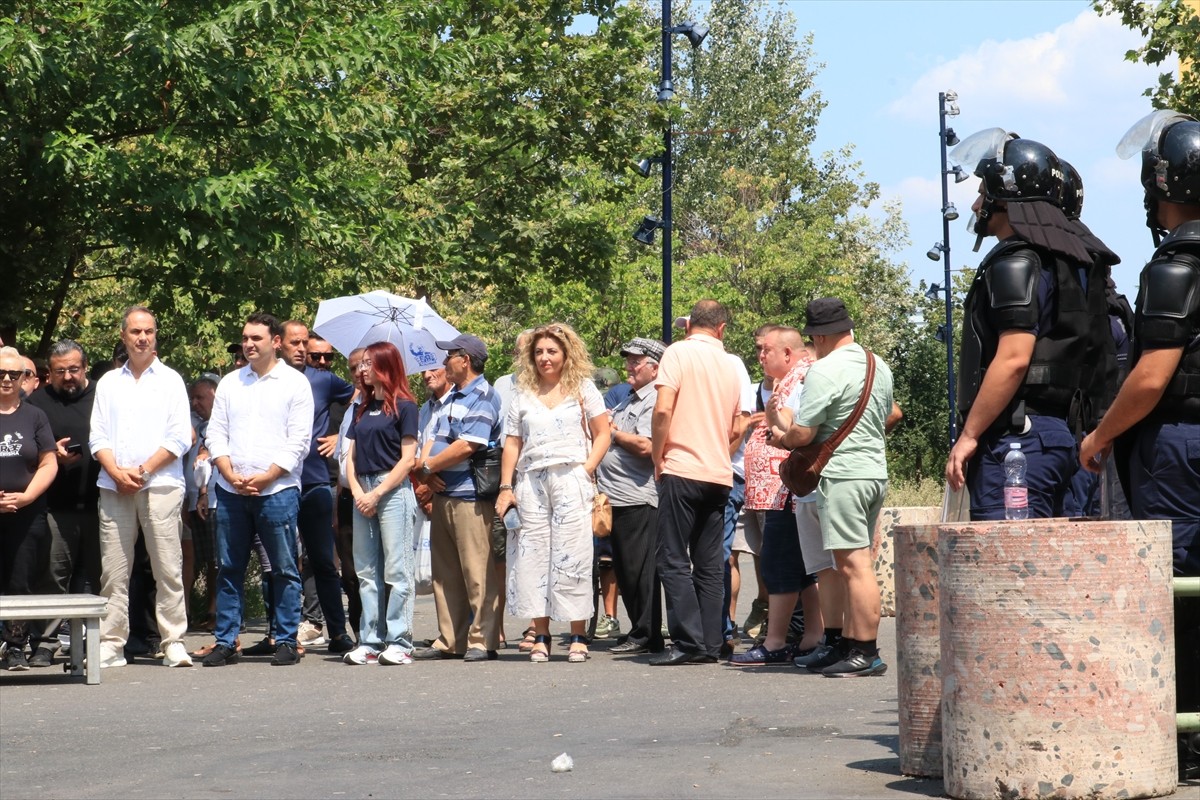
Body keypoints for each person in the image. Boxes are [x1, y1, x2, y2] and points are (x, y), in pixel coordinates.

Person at [1079, 109, 1200, 779]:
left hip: (1178, 443)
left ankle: (1184, 741)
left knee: (1176, 589)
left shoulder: (1175, 266)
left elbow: (1152, 377)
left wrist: (1100, 434)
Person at [944, 130, 1112, 520]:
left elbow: (1015, 358)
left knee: (1009, 571)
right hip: (1056, 435)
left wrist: (969, 436)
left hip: (1018, 442)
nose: (976, 204)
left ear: (1005, 199)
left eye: (984, 194)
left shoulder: (1016, 262)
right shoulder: (1070, 265)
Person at [767, 298, 902, 677]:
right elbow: (890, 415)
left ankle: (865, 651)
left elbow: (804, 432)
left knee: (853, 564)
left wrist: (781, 437)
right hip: (872, 471)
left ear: (821, 336)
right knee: (849, 562)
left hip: (842, 476)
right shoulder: (879, 366)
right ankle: (846, 644)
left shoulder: (824, 371)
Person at [202, 312, 313, 667]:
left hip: (277, 490)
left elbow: (299, 441)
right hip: (232, 489)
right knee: (229, 568)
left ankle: (285, 638)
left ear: (275, 342)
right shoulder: (232, 383)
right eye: (245, 338)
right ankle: (225, 640)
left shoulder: (294, 384)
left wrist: (268, 476)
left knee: (283, 568)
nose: (249, 344)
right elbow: (215, 432)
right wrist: (227, 470)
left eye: (256, 339)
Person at [495, 323, 610, 663]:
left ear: (566, 354)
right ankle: (540, 633)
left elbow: (602, 433)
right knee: (532, 556)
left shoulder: (583, 389)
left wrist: (585, 469)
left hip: (570, 477)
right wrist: (506, 487)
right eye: (539, 352)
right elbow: (512, 444)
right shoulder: (522, 394)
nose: (545, 358)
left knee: (572, 554)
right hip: (531, 481)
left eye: (552, 351)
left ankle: (577, 634)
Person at [88, 307, 193, 669]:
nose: (142, 338)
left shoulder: (171, 380)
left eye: (148, 331)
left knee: (167, 568)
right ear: (123, 336)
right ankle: (112, 642)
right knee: (114, 571)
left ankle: (174, 641)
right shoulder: (107, 383)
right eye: (135, 331)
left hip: (161, 484)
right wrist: (116, 471)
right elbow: (97, 435)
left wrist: (143, 470)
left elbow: (180, 437)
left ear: (156, 335)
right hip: (114, 485)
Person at [649, 300, 742, 666]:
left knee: (671, 557)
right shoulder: (732, 364)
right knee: (708, 562)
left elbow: (662, 410)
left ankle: (688, 642)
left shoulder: (678, 353)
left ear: (690, 325)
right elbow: (737, 426)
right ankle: (711, 642)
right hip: (718, 474)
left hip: (682, 466)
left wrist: (658, 457)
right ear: (720, 329)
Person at [731, 325, 827, 666]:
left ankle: (775, 642)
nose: (760, 356)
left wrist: (772, 422)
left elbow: (795, 430)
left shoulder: (801, 378)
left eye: (765, 350)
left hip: (786, 490)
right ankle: (812, 635)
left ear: (787, 353)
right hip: (781, 492)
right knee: (800, 569)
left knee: (780, 566)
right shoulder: (789, 380)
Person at [411, 334, 502, 662]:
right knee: (445, 572)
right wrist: (425, 472)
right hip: (442, 494)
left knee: (477, 571)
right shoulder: (447, 399)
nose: (445, 361)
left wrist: (428, 465)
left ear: (465, 360)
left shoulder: (483, 395)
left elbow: (468, 444)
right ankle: (450, 639)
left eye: (450, 356)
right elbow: (432, 438)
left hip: (471, 495)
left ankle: (482, 639)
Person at [340, 342, 420, 666]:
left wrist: (377, 493)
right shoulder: (360, 407)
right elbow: (350, 457)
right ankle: (370, 640)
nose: (363, 369)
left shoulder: (405, 406)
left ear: (385, 367)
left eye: (369, 364)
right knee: (366, 571)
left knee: (397, 570)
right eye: (362, 364)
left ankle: (400, 641)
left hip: (393, 489)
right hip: (364, 489)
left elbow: (408, 459)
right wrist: (360, 492)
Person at [25, 339, 102, 667]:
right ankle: (46, 642)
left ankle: (102, 642)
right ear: (49, 373)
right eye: (60, 372)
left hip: (102, 501)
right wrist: (50, 453)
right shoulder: (37, 403)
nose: (68, 377)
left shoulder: (103, 395)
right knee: (53, 575)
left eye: (74, 369)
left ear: (84, 367)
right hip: (56, 505)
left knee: (101, 576)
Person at [280, 321, 355, 653]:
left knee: (323, 560)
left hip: (314, 482)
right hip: (276, 484)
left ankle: (337, 632)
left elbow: (362, 396)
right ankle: (278, 634)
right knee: (279, 564)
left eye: (303, 343)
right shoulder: (268, 382)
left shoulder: (323, 380)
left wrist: (342, 435)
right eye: (295, 343)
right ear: (278, 344)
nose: (300, 349)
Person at [597, 337, 665, 655]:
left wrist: (611, 432)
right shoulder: (629, 399)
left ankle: (648, 634)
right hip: (615, 499)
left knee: (640, 571)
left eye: (636, 361)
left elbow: (647, 446)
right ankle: (638, 629)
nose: (629, 365)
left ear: (655, 367)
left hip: (638, 496)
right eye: (628, 360)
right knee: (624, 570)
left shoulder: (654, 400)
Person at [0, 347, 58, 671]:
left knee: (20, 583)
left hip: (26, 512)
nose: (7, 379)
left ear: (25, 378)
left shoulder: (35, 416)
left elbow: (48, 463)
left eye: (14, 374)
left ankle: (16, 646)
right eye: (0, 374)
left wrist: (26, 497)